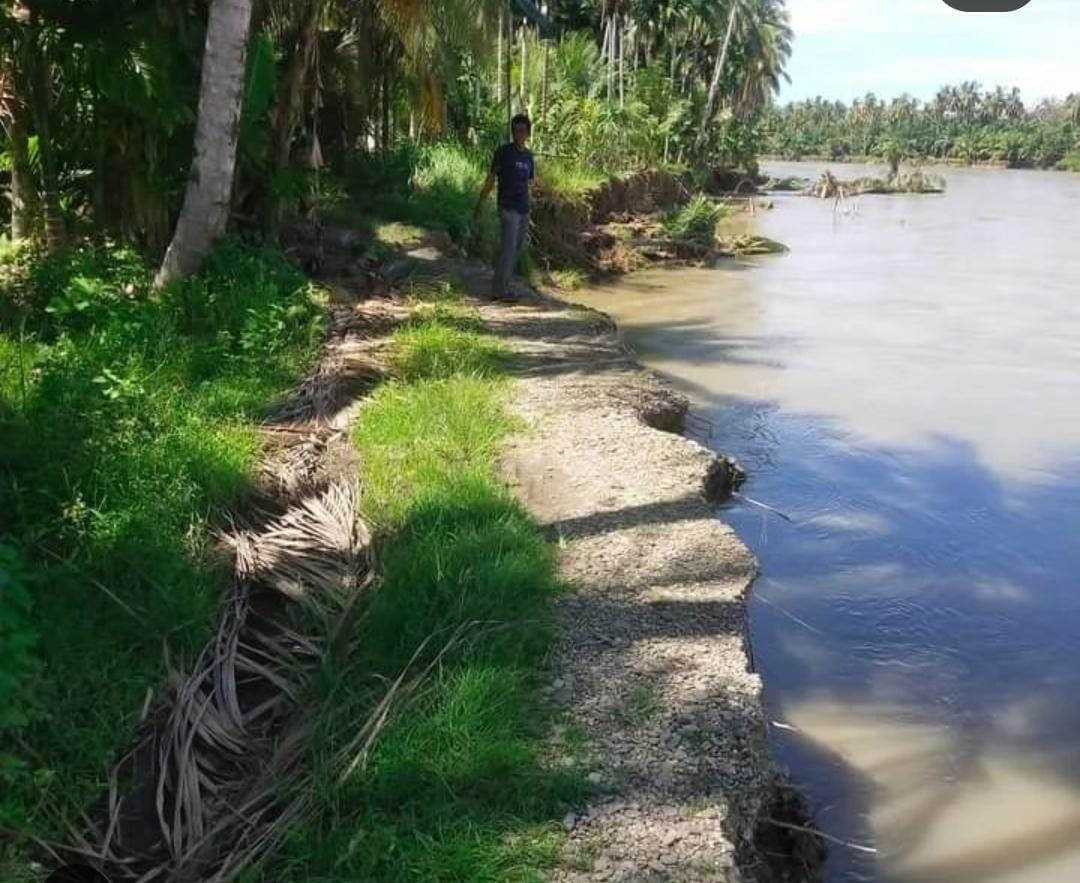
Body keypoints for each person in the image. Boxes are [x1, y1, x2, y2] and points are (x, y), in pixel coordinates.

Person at [474, 114, 535, 301]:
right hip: (507, 208)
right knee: (508, 249)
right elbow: (491, 178)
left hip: (523, 208)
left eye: (522, 131)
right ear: (512, 132)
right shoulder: (503, 152)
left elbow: (529, 182)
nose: (518, 134)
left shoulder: (528, 156)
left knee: (515, 249)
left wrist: (529, 207)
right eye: (515, 131)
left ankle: (504, 285)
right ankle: (499, 290)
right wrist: (480, 202)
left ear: (528, 133)